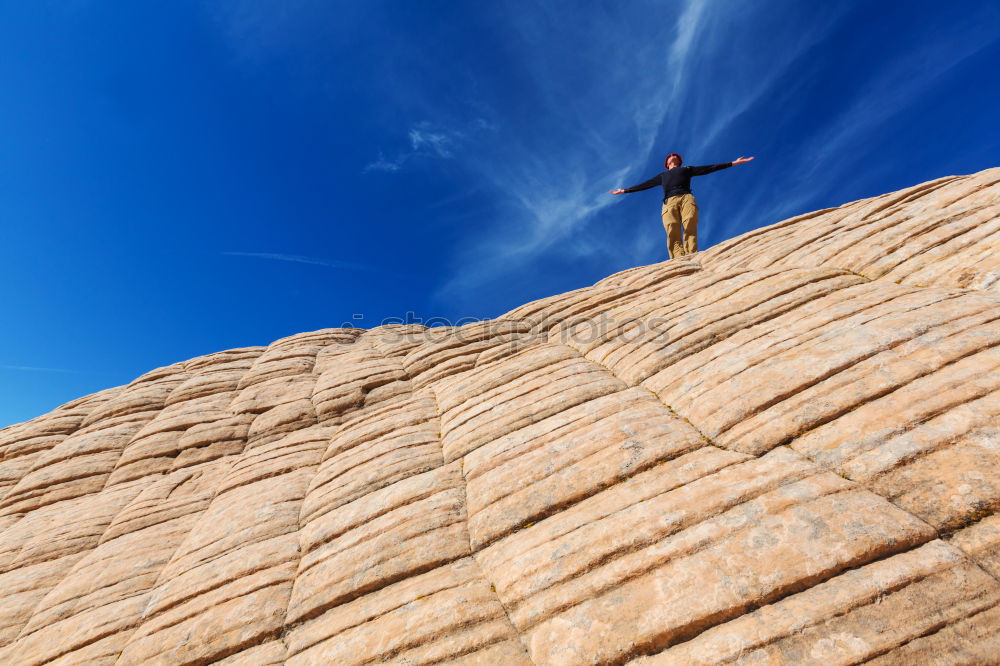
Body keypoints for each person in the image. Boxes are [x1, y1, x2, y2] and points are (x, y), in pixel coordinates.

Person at [611, 153, 754, 259]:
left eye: (675, 156)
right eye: (670, 157)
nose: (672, 157)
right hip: (669, 201)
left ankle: (691, 255)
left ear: (679, 161)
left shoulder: (687, 169)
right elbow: (645, 185)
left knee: (690, 222)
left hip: (686, 197)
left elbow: (709, 168)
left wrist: (733, 163)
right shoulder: (662, 176)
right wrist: (624, 190)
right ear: (667, 163)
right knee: (672, 228)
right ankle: (678, 259)